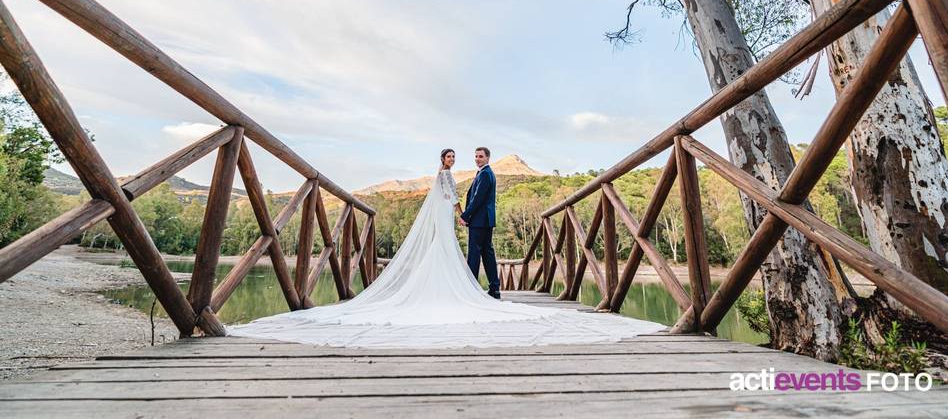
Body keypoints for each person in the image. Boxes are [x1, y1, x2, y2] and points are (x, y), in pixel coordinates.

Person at [228, 148, 664, 348]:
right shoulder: (451, 176)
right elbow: (455, 197)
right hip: (462, 220)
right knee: (476, 256)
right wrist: (458, 208)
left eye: (471, 158)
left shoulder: (485, 175)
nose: (464, 163)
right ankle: (484, 290)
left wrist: (461, 209)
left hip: (472, 221)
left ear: (480, 159)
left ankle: (483, 289)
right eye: (458, 158)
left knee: (479, 256)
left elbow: (469, 199)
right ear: (448, 161)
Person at [459, 146, 500, 298]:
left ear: (488, 158)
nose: (477, 159)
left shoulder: (485, 174)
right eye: (476, 156)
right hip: (486, 220)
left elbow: (477, 199)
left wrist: (465, 215)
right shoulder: (486, 173)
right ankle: (494, 288)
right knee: (487, 254)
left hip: (479, 220)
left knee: (474, 254)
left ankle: (471, 289)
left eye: (480, 156)